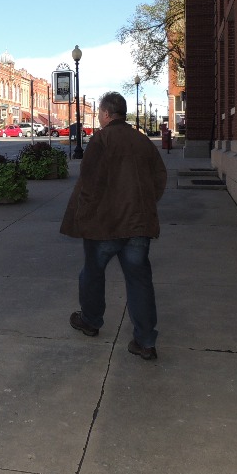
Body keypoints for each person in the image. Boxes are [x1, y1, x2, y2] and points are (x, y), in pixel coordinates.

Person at [60, 91, 168, 360]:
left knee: (92, 274)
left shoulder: (102, 140)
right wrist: (144, 204)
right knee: (139, 280)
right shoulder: (142, 141)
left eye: (99, 113)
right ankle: (145, 341)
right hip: (137, 224)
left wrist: (84, 216)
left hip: (104, 226)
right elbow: (159, 178)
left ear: (107, 114)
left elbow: (89, 183)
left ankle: (90, 321)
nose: (99, 117)